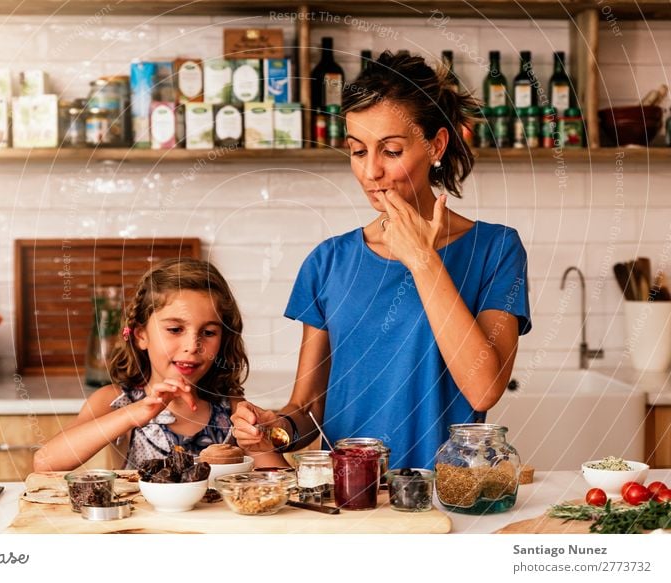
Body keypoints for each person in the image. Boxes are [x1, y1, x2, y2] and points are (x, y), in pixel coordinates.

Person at [231, 51, 532, 469]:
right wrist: (274, 428)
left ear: (436, 145)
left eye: (390, 150)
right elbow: (307, 408)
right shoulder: (329, 262)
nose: (371, 171)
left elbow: (484, 389)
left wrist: (422, 259)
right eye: (357, 151)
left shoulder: (497, 250)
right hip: (352, 500)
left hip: (448, 496)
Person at [34, 257, 276, 472]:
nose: (193, 345)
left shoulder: (233, 410)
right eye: (175, 329)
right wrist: (133, 414)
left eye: (209, 332)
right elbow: (45, 462)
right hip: (141, 525)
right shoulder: (116, 401)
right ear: (141, 336)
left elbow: (282, 490)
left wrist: (260, 442)